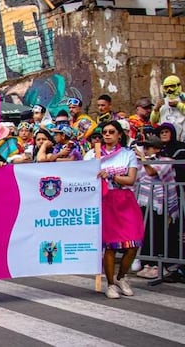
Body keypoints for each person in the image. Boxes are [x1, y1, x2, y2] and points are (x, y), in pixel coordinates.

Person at [85, 121, 143, 299]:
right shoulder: (92, 155)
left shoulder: (128, 154)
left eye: (112, 132)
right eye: (105, 132)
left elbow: (131, 179)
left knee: (133, 244)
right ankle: (110, 284)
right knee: (110, 246)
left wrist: (111, 175)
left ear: (119, 134)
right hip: (105, 200)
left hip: (125, 199)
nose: (107, 135)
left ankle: (121, 277)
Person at [133, 135, 179, 279]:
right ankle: (147, 262)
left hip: (160, 203)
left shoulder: (166, 161)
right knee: (146, 233)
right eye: (144, 147)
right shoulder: (142, 161)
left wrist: (143, 158)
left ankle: (159, 264)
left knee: (158, 233)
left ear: (157, 149)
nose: (145, 150)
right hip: (144, 201)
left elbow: (152, 172)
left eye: (148, 147)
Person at [151, 75, 185, 141]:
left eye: (172, 86)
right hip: (166, 138)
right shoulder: (162, 101)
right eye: (166, 87)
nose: (169, 90)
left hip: (182, 138)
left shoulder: (183, 98)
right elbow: (153, 121)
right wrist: (156, 109)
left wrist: (179, 105)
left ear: (178, 86)